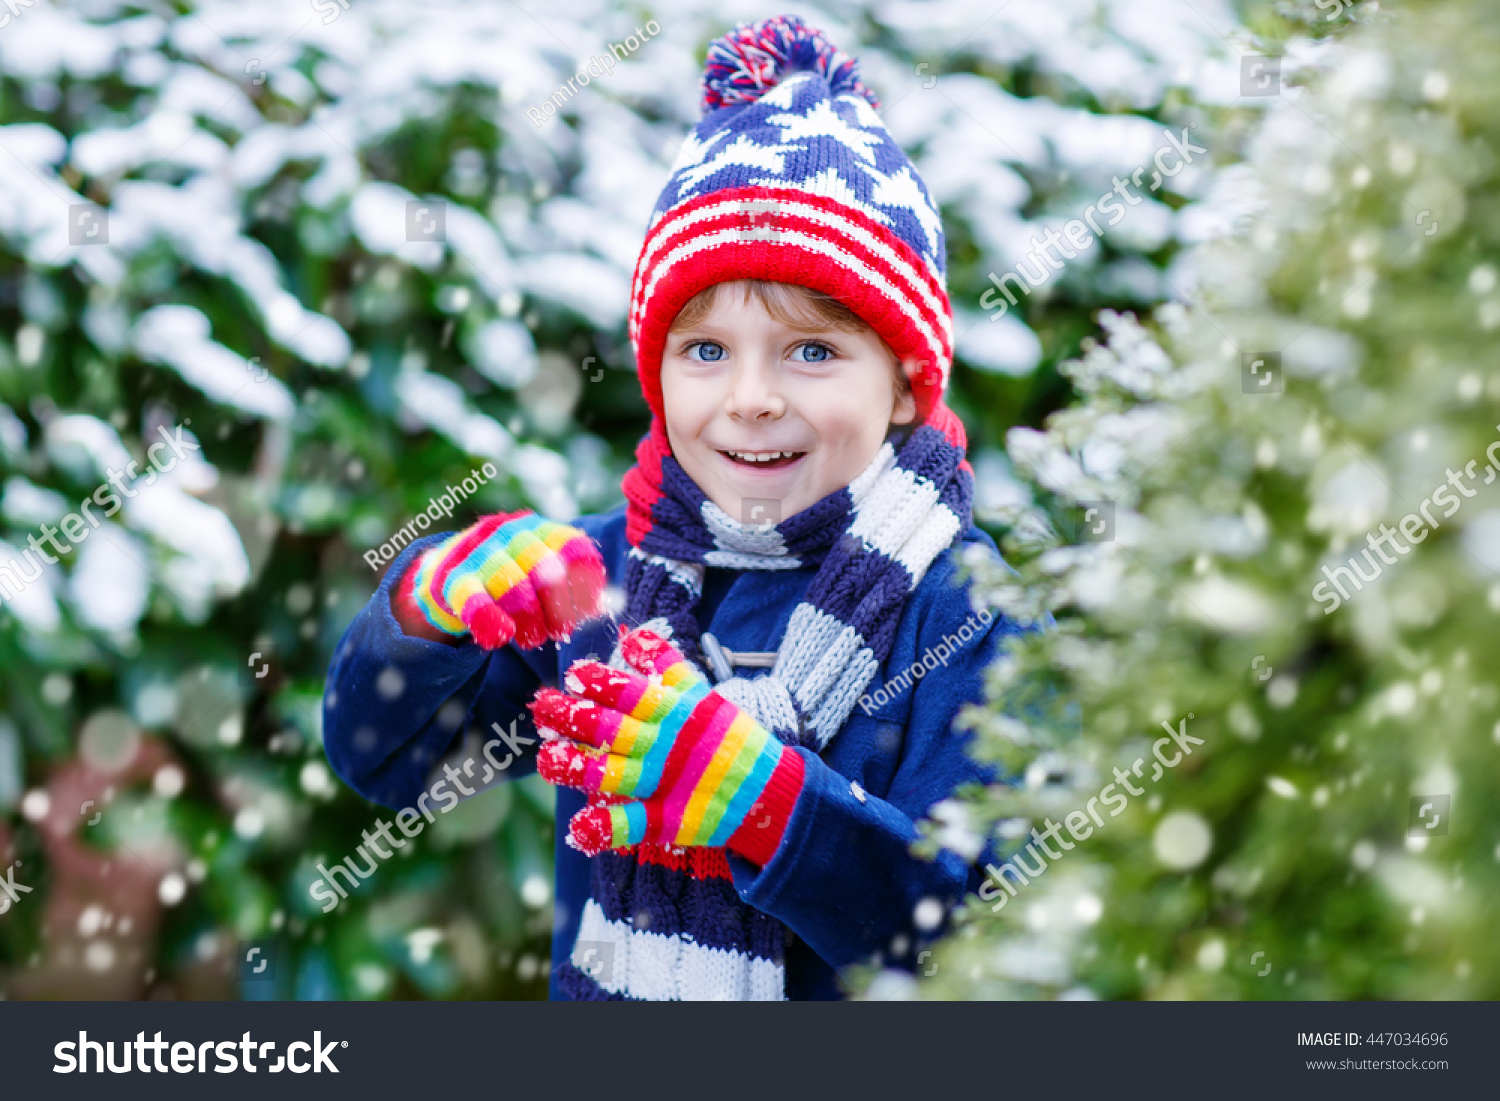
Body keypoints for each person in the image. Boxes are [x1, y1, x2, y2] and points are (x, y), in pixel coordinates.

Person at [323, 14, 1031, 1001]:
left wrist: (761, 802)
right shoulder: (596, 590)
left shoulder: (962, 612)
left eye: (812, 350)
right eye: (707, 350)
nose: (750, 397)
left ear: (908, 384)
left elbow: (980, 929)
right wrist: (427, 614)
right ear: (657, 373)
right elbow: (385, 761)